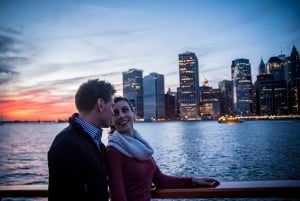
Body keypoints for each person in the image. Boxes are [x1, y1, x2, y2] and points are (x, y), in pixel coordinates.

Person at [106, 96, 220, 201]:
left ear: (133, 113)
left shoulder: (141, 146)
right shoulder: (113, 152)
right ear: (111, 120)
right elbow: (118, 198)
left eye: (125, 110)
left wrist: (193, 180)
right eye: (115, 113)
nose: (121, 115)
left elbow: (160, 180)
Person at [48, 79, 116, 201]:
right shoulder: (66, 144)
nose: (113, 112)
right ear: (100, 104)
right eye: (111, 106)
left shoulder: (97, 144)